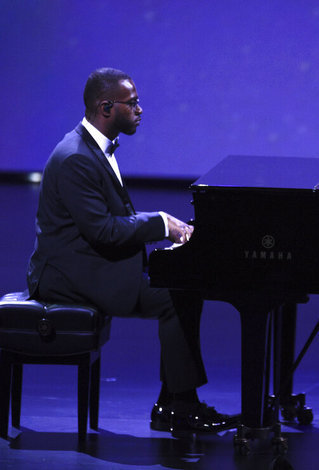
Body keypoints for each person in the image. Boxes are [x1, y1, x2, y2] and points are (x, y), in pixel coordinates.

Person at [26, 67, 232, 435]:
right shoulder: (75, 158)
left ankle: (172, 403)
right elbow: (103, 231)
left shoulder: (93, 149)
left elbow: (111, 220)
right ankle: (181, 407)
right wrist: (162, 224)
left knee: (182, 287)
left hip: (87, 264)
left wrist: (170, 227)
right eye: (132, 103)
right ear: (106, 107)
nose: (140, 110)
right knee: (173, 296)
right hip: (67, 277)